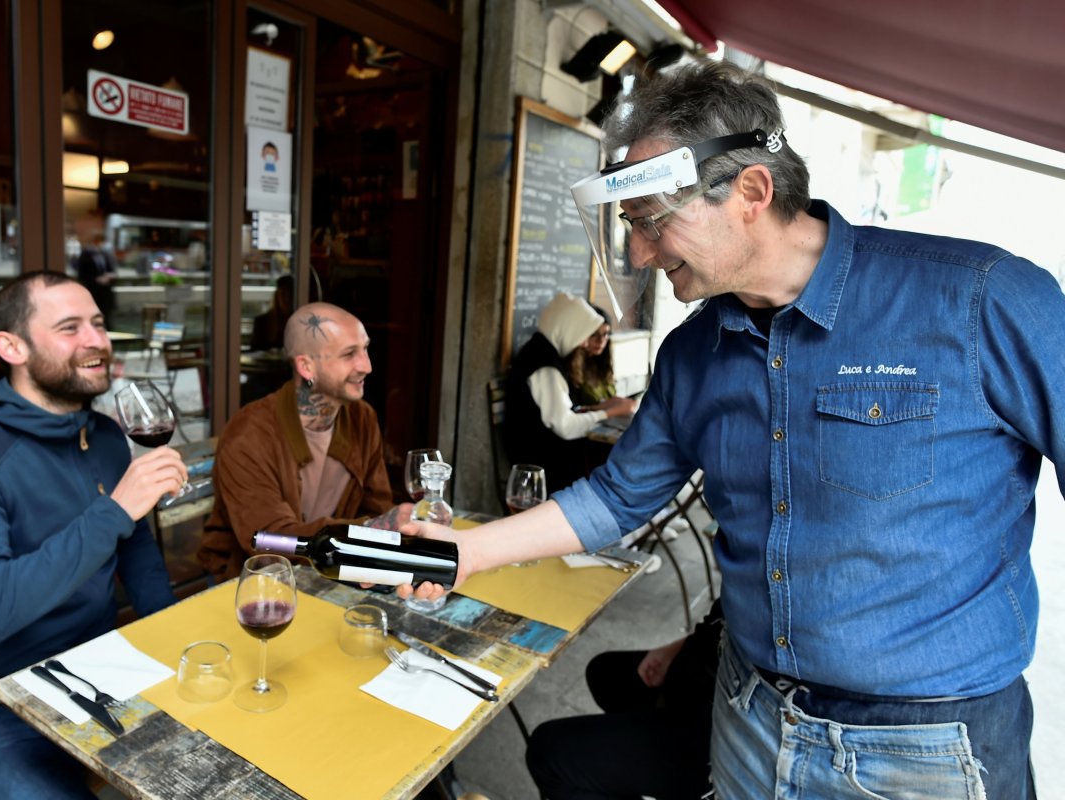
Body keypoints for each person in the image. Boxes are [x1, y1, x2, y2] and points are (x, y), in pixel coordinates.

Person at [401, 61, 1061, 800]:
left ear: (751, 192)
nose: (642, 255)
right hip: (751, 721)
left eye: (653, 223)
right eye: (630, 228)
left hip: (927, 749)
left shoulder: (982, 300)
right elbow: (618, 498)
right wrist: (463, 551)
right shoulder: (693, 352)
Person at [0, 272, 186, 799]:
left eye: (99, 324)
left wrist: (173, 641)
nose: (97, 341)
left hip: (95, 673)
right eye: (70, 328)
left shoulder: (102, 435)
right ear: (11, 346)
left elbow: (139, 555)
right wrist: (114, 512)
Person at [197, 301, 408, 584]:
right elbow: (269, 539)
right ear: (307, 366)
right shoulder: (249, 434)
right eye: (349, 354)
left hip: (330, 571)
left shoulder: (362, 418)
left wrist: (381, 528)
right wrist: (374, 528)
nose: (367, 366)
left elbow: (376, 507)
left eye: (365, 349)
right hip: (251, 582)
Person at [526, 602, 723, 800]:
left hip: (725, 741)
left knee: (548, 755)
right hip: (709, 676)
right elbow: (726, 619)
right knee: (606, 675)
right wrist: (679, 649)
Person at [505, 293, 635, 493]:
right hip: (540, 464)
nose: (584, 344)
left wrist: (596, 408)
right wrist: (609, 413)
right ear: (567, 329)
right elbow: (564, 426)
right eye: (583, 335)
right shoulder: (545, 368)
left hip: (541, 453)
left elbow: (558, 410)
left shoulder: (540, 351)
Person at [73, 233, 117, 321]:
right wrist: (96, 279)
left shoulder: (104, 254)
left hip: (105, 291)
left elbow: (111, 269)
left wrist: (109, 276)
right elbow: (82, 274)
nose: (100, 243)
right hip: (93, 290)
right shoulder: (85, 255)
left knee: (107, 315)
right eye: (98, 241)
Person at [250, 273, 294, 351]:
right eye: (283, 294)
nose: (287, 299)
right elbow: (254, 352)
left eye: (291, 294)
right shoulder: (262, 322)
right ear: (277, 296)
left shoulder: (301, 322)